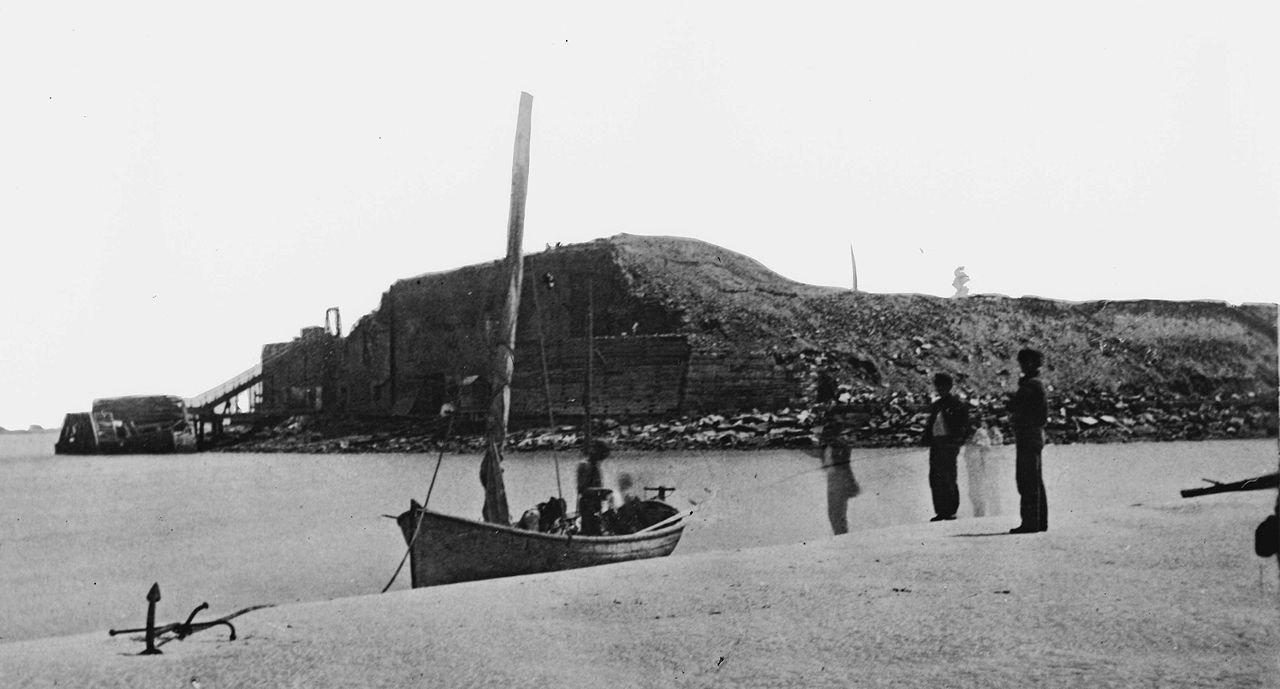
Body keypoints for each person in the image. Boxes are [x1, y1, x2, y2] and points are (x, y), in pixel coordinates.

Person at [1008, 348, 1049, 533]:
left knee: (1027, 479)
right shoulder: (1035, 384)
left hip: (1028, 435)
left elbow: (1019, 407)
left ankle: (1031, 522)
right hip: (1033, 435)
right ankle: (1038, 521)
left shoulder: (1031, 385)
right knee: (1034, 478)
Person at [922, 372, 970, 521]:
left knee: (949, 476)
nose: (940, 389)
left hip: (949, 444)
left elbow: (964, 426)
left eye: (942, 386)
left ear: (949, 387)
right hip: (936, 444)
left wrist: (957, 442)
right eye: (938, 386)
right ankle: (940, 510)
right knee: (935, 477)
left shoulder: (957, 405)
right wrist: (926, 438)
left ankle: (950, 510)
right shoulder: (936, 405)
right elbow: (931, 425)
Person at [964, 418, 1002, 517]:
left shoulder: (986, 433)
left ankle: (993, 512)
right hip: (977, 463)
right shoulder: (979, 433)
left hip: (986, 462)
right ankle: (981, 512)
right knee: (978, 487)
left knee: (987, 486)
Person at [576, 440, 614, 536]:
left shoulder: (596, 465)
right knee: (590, 532)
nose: (603, 458)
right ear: (595, 451)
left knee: (598, 530)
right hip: (587, 506)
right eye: (602, 454)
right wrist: (601, 492)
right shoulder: (585, 465)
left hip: (596, 505)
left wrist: (602, 494)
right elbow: (582, 490)